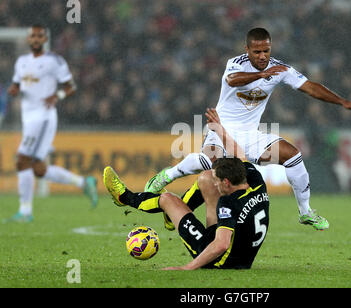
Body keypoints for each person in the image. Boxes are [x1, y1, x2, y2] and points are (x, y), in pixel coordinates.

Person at [145, 28, 351, 230]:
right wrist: (260, 75)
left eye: (266, 51)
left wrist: (342, 102)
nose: (262, 56)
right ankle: (167, 176)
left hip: (251, 135)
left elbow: (310, 87)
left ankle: (306, 212)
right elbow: (232, 80)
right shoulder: (236, 63)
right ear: (248, 50)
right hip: (220, 128)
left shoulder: (280, 69)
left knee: (293, 156)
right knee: (210, 164)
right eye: (257, 51)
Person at [103, 109, 270, 270]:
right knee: (206, 177)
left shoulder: (229, 202)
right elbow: (239, 155)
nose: (216, 185)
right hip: (242, 255)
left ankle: (124, 197)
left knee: (168, 199)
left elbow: (221, 244)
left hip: (219, 260)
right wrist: (219, 129)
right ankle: (172, 215)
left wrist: (187, 267)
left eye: (219, 182)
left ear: (226, 182)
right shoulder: (256, 180)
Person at [4, 25, 98, 223]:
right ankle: (84, 182)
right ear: (28, 39)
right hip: (28, 118)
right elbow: (17, 84)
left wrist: (58, 95)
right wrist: (14, 89)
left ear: (45, 39)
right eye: (33, 36)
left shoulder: (54, 61)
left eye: (40, 36)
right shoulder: (21, 62)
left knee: (22, 160)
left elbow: (71, 86)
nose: (36, 39)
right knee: (38, 168)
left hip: (44, 117)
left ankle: (25, 212)